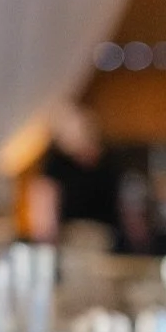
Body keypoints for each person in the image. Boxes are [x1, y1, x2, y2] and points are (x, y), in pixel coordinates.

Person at [36, 104, 122, 243]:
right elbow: (45, 214)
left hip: (107, 238)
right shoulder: (56, 166)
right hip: (72, 240)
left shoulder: (109, 163)